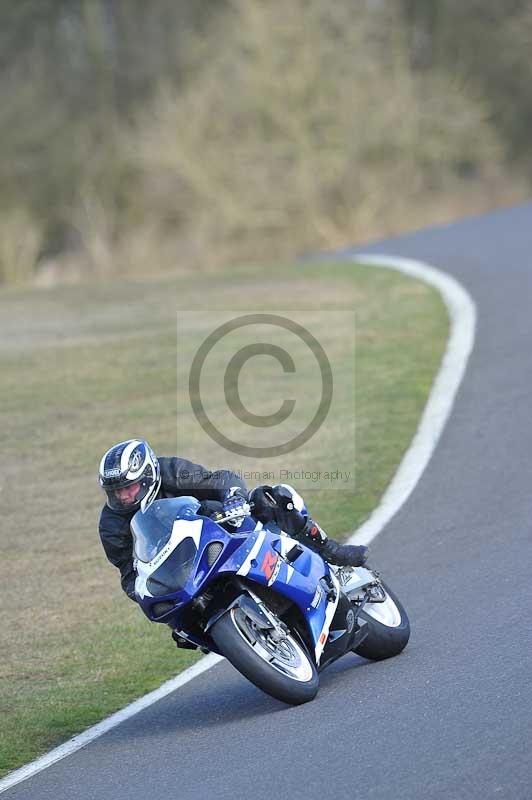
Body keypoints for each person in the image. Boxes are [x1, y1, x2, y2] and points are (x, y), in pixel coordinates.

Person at [98, 439, 368, 646]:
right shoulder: (111, 525)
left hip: (220, 527)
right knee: (183, 626)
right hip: (181, 569)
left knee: (270, 498)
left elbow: (219, 480)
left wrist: (234, 498)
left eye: (128, 487)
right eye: (115, 491)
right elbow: (129, 574)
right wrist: (145, 595)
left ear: (147, 477)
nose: (122, 496)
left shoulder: (171, 471)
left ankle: (329, 550)